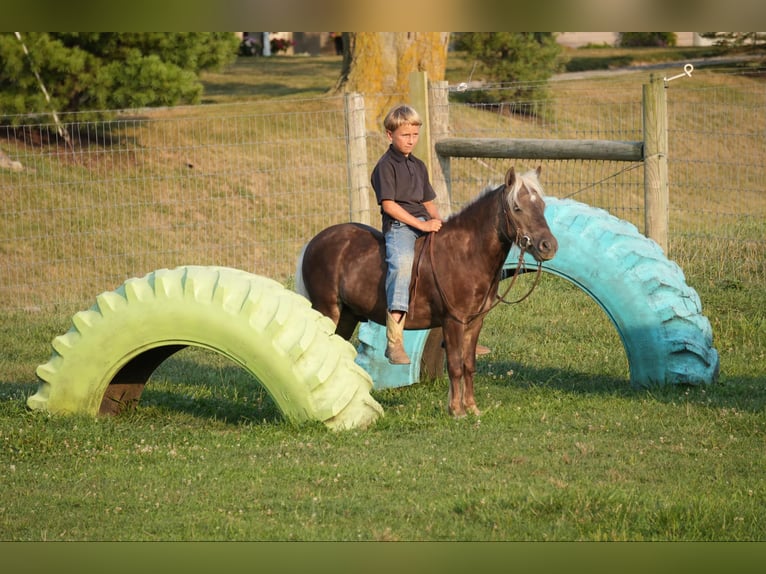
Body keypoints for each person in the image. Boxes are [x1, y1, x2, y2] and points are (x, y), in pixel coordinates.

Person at [371, 104, 443, 364]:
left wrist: (438, 221)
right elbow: (389, 205)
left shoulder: (419, 165)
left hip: (424, 221)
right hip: (400, 227)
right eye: (405, 135)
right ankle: (394, 342)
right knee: (402, 266)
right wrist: (421, 226)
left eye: (414, 135)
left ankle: (457, 328)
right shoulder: (385, 166)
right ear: (390, 135)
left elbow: (428, 202)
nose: (411, 140)